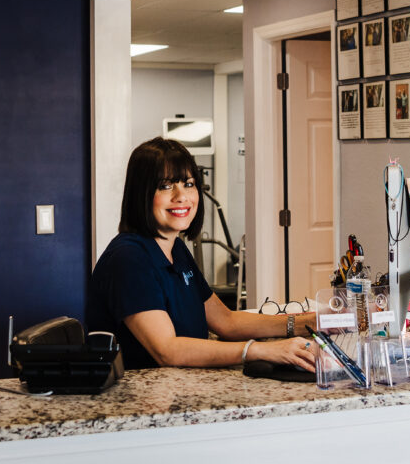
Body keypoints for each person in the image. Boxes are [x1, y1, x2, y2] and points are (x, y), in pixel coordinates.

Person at [87, 137, 316, 371]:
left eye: (188, 183)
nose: (182, 196)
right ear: (141, 195)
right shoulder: (128, 259)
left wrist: (307, 323)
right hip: (141, 402)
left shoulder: (175, 249)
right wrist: (261, 350)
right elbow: (168, 350)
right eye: (165, 186)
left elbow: (226, 322)